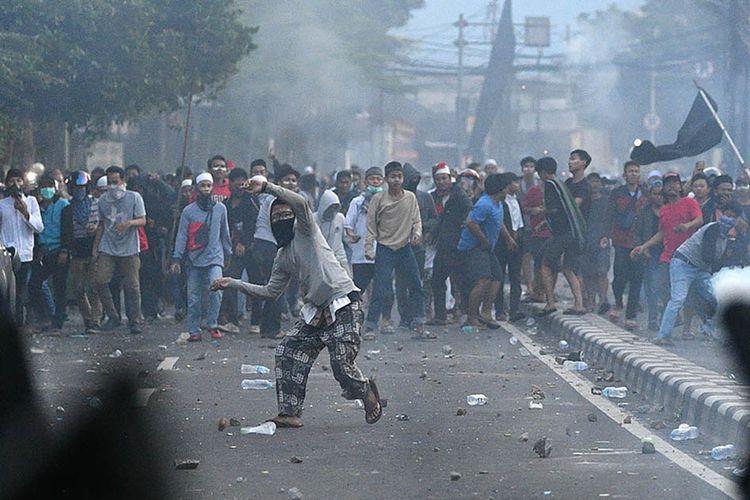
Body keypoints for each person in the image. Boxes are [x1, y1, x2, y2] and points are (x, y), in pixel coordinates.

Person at [211, 175, 384, 429]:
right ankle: (289, 412)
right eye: (276, 216)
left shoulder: (306, 231)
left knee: (340, 365)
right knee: (287, 350)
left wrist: (269, 188)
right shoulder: (282, 256)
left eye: (285, 214)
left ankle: (366, 390)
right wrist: (234, 283)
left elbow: (302, 205)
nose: (281, 219)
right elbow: (270, 292)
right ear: (270, 222)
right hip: (316, 312)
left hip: (344, 303)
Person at [652, 203, 741, 345]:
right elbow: (709, 256)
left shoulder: (726, 237)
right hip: (683, 264)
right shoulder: (712, 229)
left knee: (716, 297)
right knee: (678, 299)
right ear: (721, 215)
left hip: (700, 269)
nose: (729, 219)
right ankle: (663, 335)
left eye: (733, 218)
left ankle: (711, 330)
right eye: (727, 215)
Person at [364, 161, 433, 339]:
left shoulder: (410, 198)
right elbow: (371, 226)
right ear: (386, 179)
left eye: (399, 177)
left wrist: (417, 233)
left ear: (403, 179)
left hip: (404, 248)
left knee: (416, 286)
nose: (396, 180)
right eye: (393, 177)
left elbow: (416, 219)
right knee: (380, 288)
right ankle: (371, 326)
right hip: (385, 248)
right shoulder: (378, 199)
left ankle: (419, 325)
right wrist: (369, 247)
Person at [171, 172, 232, 341]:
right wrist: (176, 258)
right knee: (193, 297)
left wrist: (228, 253)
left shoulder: (220, 209)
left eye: (209, 186)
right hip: (194, 259)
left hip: (215, 257)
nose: (206, 189)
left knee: (216, 291)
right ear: (197, 188)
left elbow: (224, 233)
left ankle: (212, 324)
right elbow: (182, 236)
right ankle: (194, 330)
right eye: (203, 186)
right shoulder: (188, 211)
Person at [92, 166, 147, 334]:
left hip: (129, 248)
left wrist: (129, 223)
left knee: (132, 287)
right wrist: (96, 249)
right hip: (108, 246)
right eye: (109, 183)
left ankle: (134, 320)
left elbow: (142, 220)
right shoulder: (103, 200)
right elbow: (102, 224)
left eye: (116, 182)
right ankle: (113, 316)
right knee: (100, 280)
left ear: (123, 181)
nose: (113, 186)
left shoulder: (134, 197)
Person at [344, 167, 395, 334]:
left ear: (383, 181)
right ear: (366, 182)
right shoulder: (357, 202)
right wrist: (352, 236)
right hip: (361, 254)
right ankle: (352, 320)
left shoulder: (390, 201)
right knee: (358, 289)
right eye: (372, 179)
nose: (375, 182)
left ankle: (384, 320)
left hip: (383, 252)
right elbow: (348, 225)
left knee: (385, 289)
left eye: (378, 179)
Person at [456, 173, 509, 328]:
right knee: (483, 280)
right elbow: (471, 222)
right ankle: (471, 317)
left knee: (497, 277)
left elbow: (498, 223)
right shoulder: (484, 204)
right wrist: (484, 241)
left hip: (486, 248)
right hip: (474, 247)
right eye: (506, 188)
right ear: (500, 189)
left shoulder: (497, 204)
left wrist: (508, 238)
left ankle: (485, 312)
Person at [536, 157, 587, 316]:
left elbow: (554, 209)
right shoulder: (561, 184)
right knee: (568, 268)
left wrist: (542, 211)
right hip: (573, 231)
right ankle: (579, 304)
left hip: (562, 234)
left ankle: (550, 302)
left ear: (543, 173)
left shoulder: (550, 185)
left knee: (544, 263)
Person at [217, 167, 260, 334]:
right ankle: (232, 320)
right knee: (231, 282)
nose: (239, 186)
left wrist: (244, 243)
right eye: (236, 183)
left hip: (252, 249)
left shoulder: (252, 202)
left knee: (256, 285)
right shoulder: (226, 205)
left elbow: (253, 224)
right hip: (233, 250)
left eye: (243, 183)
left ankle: (256, 321)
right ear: (230, 184)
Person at [429, 162, 472, 325]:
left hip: (458, 245)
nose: (441, 182)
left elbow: (469, 209)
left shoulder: (458, 194)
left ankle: (466, 313)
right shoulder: (435, 197)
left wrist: (464, 224)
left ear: (450, 179)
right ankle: (441, 315)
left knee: (462, 281)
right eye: (438, 179)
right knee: (437, 280)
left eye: (444, 179)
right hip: (443, 245)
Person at [606, 161, 647, 328]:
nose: (634, 173)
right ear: (624, 174)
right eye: (630, 171)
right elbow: (609, 215)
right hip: (621, 240)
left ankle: (631, 315)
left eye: (636, 171)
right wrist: (604, 235)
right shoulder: (617, 193)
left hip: (639, 242)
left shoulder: (645, 193)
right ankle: (617, 303)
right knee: (619, 276)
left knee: (637, 278)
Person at [0, 168, 44, 327]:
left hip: (25, 254)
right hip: (6, 255)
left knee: (22, 290)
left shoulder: (31, 202)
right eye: (12, 181)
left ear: (23, 183)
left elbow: (39, 227)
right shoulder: (2, 205)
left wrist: (25, 212)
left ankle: (22, 322)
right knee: (8, 290)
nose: (15, 184)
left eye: (18, 181)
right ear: (6, 184)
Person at [61, 171, 101, 334]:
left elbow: (104, 224)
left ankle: (95, 320)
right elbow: (64, 232)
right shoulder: (67, 208)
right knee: (78, 289)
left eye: (82, 187)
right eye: (76, 187)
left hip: (94, 251)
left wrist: (96, 229)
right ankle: (87, 319)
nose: (80, 190)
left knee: (93, 288)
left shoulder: (97, 204)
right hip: (77, 253)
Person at [29, 174, 70, 333]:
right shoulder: (37, 206)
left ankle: (57, 322)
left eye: (49, 186)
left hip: (59, 251)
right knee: (33, 284)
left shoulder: (63, 205)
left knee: (59, 288)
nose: (47, 190)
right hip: (43, 252)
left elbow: (67, 229)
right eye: (43, 186)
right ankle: (43, 317)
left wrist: (65, 250)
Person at [398, 163, 437, 328]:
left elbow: (434, 219)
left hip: (418, 247)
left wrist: (421, 227)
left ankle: (417, 316)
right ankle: (404, 317)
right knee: (400, 285)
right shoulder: (396, 199)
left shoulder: (425, 197)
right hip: (399, 247)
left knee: (417, 282)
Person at [633, 176, 664, 331]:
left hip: (667, 252)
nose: (658, 197)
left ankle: (666, 318)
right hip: (649, 253)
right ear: (649, 195)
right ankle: (653, 318)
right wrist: (642, 248)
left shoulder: (669, 210)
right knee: (651, 286)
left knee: (666, 286)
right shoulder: (644, 212)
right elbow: (636, 232)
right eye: (655, 194)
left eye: (660, 194)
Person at [494, 172, 525, 322]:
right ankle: (499, 310)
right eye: (515, 182)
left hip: (517, 242)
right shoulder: (500, 201)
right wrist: (508, 238)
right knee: (499, 276)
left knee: (515, 277)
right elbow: (500, 222)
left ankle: (515, 309)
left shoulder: (517, 200)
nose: (518, 185)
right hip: (502, 243)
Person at [581, 173, 611, 314]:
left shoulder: (606, 201)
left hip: (602, 239)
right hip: (586, 239)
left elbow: (609, 220)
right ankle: (590, 300)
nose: (594, 184)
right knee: (588, 272)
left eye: (596, 181)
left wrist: (606, 235)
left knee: (602, 271)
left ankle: (603, 300)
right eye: (591, 181)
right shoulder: (584, 202)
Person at [315, 189, 349, 272]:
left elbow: (346, 238)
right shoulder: (313, 220)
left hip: (338, 257)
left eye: (335, 208)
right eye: (330, 207)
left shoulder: (340, 218)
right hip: (318, 259)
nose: (332, 211)